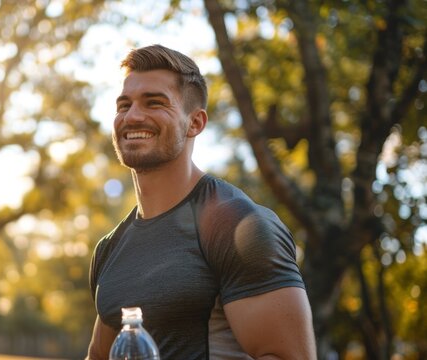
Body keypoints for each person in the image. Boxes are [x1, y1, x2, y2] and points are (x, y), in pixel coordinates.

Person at [86, 44, 316, 359]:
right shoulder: (110, 248)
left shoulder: (237, 224)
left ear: (195, 123)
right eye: (123, 105)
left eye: (154, 103)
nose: (133, 116)